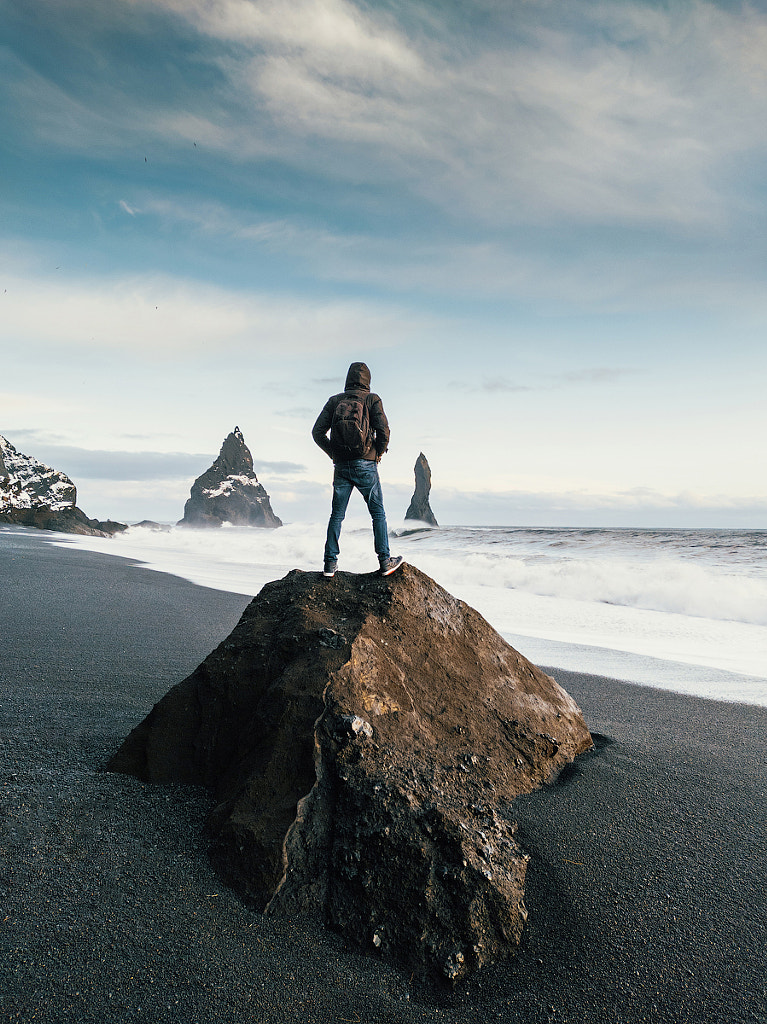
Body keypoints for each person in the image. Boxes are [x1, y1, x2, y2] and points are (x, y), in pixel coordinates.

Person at [312, 362, 404, 578]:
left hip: (341, 466)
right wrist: (378, 453)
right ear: (367, 380)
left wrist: (334, 454)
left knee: (337, 515)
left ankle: (329, 564)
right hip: (366, 465)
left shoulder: (335, 401)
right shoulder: (372, 399)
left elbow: (317, 432)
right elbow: (384, 432)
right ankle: (384, 561)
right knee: (377, 513)